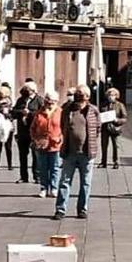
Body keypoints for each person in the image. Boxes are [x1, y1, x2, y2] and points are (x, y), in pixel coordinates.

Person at [53, 84, 101, 220]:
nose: (78, 97)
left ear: (87, 97)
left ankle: (82, 209)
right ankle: (60, 210)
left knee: (85, 183)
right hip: (70, 152)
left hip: (87, 153)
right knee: (64, 181)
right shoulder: (67, 109)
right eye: (77, 94)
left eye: (81, 94)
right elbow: (63, 126)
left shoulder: (93, 111)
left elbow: (98, 128)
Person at [31, 92, 62, 198]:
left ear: (56, 102)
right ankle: (44, 188)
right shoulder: (39, 113)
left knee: (55, 168)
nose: (49, 103)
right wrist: (35, 139)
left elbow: (65, 128)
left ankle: (54, 188)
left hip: (55, 145)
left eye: (52, 101)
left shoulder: (60, 112)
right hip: (41, 145)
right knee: (42, 168)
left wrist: (60, 138)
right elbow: (33, 128)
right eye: (47, 101)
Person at [13, 81, 43, 184]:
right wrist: (21, 112)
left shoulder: (39, 100)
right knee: (22, 155)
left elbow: (42, 114)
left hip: (34, 132)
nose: (25, 91)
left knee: (35, 155)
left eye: (28, 90)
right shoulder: (21, 100)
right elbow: (14, 112)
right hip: (22, 132)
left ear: (33, 91)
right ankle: (23, 176)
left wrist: (30, 114)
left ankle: (37, 175)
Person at [99, 87, 127, 169]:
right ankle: (103, 161)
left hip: (115, 128)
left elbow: (124, 118)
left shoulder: (120, 105)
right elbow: (99, 114)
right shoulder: (103, 104)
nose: (111, 97)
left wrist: (117, 120)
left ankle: (116, 161)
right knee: (104, 145)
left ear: (116, 96)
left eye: (113, 95)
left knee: (116, 146)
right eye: (109, 95)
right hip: (105, 128)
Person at [0, 85, 14, 171]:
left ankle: (9, 164)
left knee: (7, 146)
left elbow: (11, 114)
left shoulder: (9, 103)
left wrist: (6, 113)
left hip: (7, 126)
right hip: (0, 125)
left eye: (0, 94)